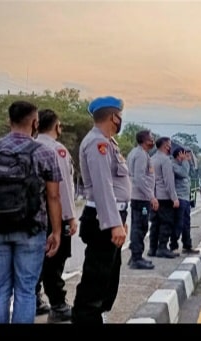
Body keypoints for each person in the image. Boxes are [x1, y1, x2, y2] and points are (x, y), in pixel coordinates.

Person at [0, 101, 62, 324]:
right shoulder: (45, 152)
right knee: (26, 290)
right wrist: (56, 232)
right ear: (36, 123)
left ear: (9, 121)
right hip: (31, 229)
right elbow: (54, 197)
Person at [72, 96, 130, 324]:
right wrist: (114, 223)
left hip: (111, 216)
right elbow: (103, 186)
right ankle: (86, 318)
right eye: (119, 116)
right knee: (96, 276)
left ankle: (96, 316)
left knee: (108, 274)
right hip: (101, 219)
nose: (120, 120)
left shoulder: (108, 142)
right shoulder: (98, 144)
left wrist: (120, 219)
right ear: (113, 116)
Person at [34, 109, 78, 322]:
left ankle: (33, 300)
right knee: (55, 260)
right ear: (56, 125)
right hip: (54, 216)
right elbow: (63, 189)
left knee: (36, 260)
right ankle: (58, 305)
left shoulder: (31, 146)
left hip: (32, 217)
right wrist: (69, 217)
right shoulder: (57, 150)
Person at [126, 130, 157, 270]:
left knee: (137, 226)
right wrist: (151, 196)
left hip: (138, 197)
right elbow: (140, 178)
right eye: (151, 138)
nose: (153, 141)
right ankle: (136, 258)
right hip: (141, 198)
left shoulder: (138, 153)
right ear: (145, 140)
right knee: (140, 226)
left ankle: (135, 256)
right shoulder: (140, 155)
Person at [148, 137, 179, 259]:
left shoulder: (151, 159)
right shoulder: (165, 160)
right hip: (164, 197)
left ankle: (152, 248)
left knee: (155, 223)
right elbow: (169, 182)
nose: (171, 147)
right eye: (170, 145)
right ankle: (162, 248)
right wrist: (174, 198)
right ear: (166, 146)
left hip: (154, 196)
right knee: (166, 223)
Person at [170, 148, 199, 255]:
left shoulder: (183, 164)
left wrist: (189, 161)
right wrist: (185, 161)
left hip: (186, 198)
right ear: (179, 155)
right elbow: (183, 173)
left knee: (186, 223)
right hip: (179, 198)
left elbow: (191, 173)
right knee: (178, 223)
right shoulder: (173, 164)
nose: (186, 157)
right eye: (184, 154)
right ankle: (173, 246)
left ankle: (187, 245)